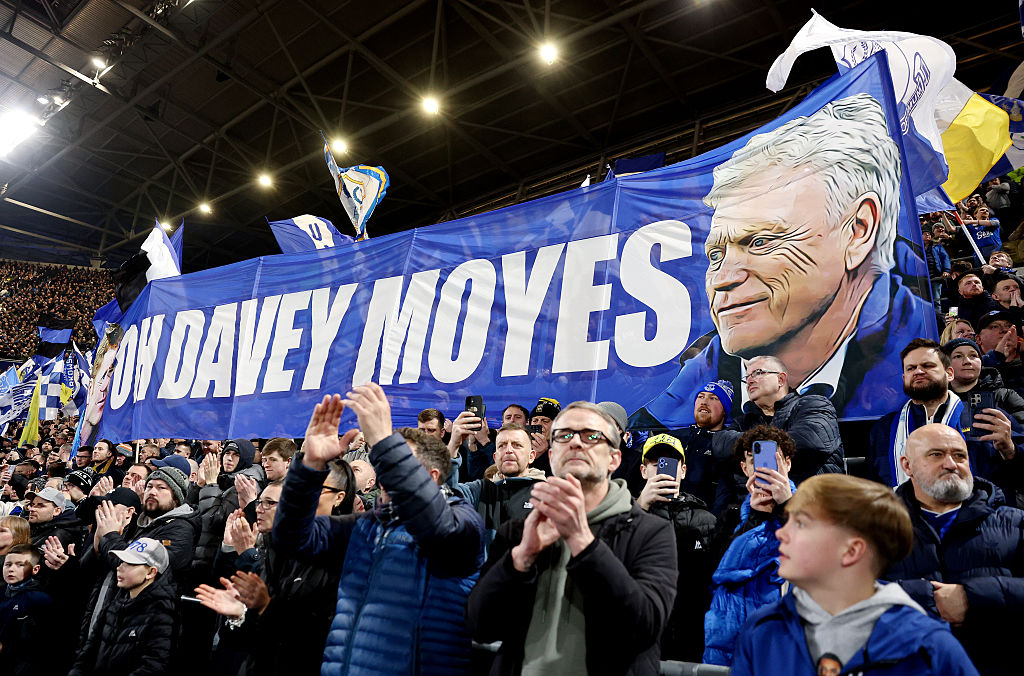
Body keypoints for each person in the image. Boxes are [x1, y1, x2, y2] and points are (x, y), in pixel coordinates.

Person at [632, 93, 934, 429]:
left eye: (760, 242)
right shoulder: (710, 366)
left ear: (858, 230)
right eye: (716, 254)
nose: (722, 279)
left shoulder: (919, 356)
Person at [273, 385, 485, 674]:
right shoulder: (367, 525)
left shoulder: (464, 521)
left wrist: (384, 441)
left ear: (432, 477)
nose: (384, 474)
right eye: (383, 463)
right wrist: (310, 465)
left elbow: (435, 527)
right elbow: (290, 538)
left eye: (395, 463)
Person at [467, 401, 677, 675]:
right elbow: (480, 625)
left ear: (614, 458)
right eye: (564, 435)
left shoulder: (651, 532)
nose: (576, 442)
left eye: (591, 435)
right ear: (551, 456)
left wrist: (583, 542)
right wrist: (520, 559)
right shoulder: (519, 532)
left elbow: (642, 627)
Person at [730, 474, 978, 676]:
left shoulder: (929, 647)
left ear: (851, 550)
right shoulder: (762, 630)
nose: (782, 534)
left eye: (802, 524)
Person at [884, 424, 1024, 676]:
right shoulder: (873, 529)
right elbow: (845, 596)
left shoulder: (1015, 522)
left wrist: (971, 597)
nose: (951, 464)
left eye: (960, 456)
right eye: (936, 455)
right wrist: (928, 597)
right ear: (907, 466)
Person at [868, 338, 1022, 502]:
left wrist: (1011, 451)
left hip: (980, 522)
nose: (919, 371)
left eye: (927, 366)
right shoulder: (884, 429)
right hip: (907, 523)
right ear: (904, 378)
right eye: (911, 368)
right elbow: (873, 491)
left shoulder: (988, 417)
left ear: (949, 373)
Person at [704, 425, 795, 666]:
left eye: (771, 459)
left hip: (782, 644)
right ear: (745, 469)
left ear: (787, 463)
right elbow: (718, 571)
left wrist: (788, 505)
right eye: (754, 461)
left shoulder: (814, 511)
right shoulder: (730, 517)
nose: (763, 468)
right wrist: (757, 517)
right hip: (728, 646)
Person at [636, 433, 716, 662]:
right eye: (655, 464)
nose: (663, 471)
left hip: (690, 636)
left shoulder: (706, 520)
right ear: (643, 471)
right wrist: (641, 506)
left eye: (670, 464)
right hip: (640, 632)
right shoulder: (625, 515)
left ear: (682, 470)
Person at [711, 356, 843, 482]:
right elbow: (720, 446)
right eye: (747, 377)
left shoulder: (815, 404)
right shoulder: (743, 421)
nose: (749, 381)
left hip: (809, 500)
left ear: (780, 379)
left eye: (758, 373)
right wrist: (772, 445)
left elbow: (809, 443)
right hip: (755, 503)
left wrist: (751, 451)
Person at [69, 538, 176, 676]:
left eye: (130, 563)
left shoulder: (163, 613)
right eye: (122, 561)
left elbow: (154, 666)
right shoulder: (113, 606)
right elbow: (87, 655)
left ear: (151, 572)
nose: (120, 567)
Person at [451, 423, 545, 548]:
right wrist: (453, 445)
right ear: (495, 457)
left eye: (517, 445)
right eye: (502, 445)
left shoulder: (548, 494)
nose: (509, 450)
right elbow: (444, 496)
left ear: (531, 456)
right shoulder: (480, 490)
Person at [0, 544, 54, 676]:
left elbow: (40, 642)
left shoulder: (39, 599)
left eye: (20, 565)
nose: (11, 569)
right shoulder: (1, 593)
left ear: (35, 569)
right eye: (8, 564)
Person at [944, 338, 1024, 425]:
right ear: (946, 366)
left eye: (973, 355)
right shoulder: (937, 400)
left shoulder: (1004, 396)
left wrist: (1008, 437)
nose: (967, 361)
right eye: (958, 356)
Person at [527, 396, 561, 476]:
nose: (539, 424)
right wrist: (534, 456)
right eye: (535, 421)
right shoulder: (522, 445)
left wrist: (543, 455)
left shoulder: (563, 447)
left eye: (545, 421)